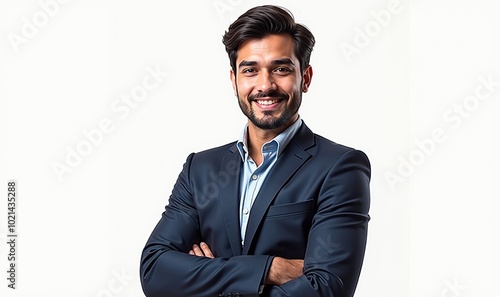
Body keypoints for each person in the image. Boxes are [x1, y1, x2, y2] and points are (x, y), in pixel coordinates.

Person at [140, 5, 370, 297]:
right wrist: (270, 269)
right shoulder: (200, 168)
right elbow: (154, 270)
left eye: (281, 69)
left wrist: (205, 279)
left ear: (306, 78)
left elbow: (327, 289)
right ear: (234, 81)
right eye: (250, 70)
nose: (265, 85)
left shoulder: (340, 167)